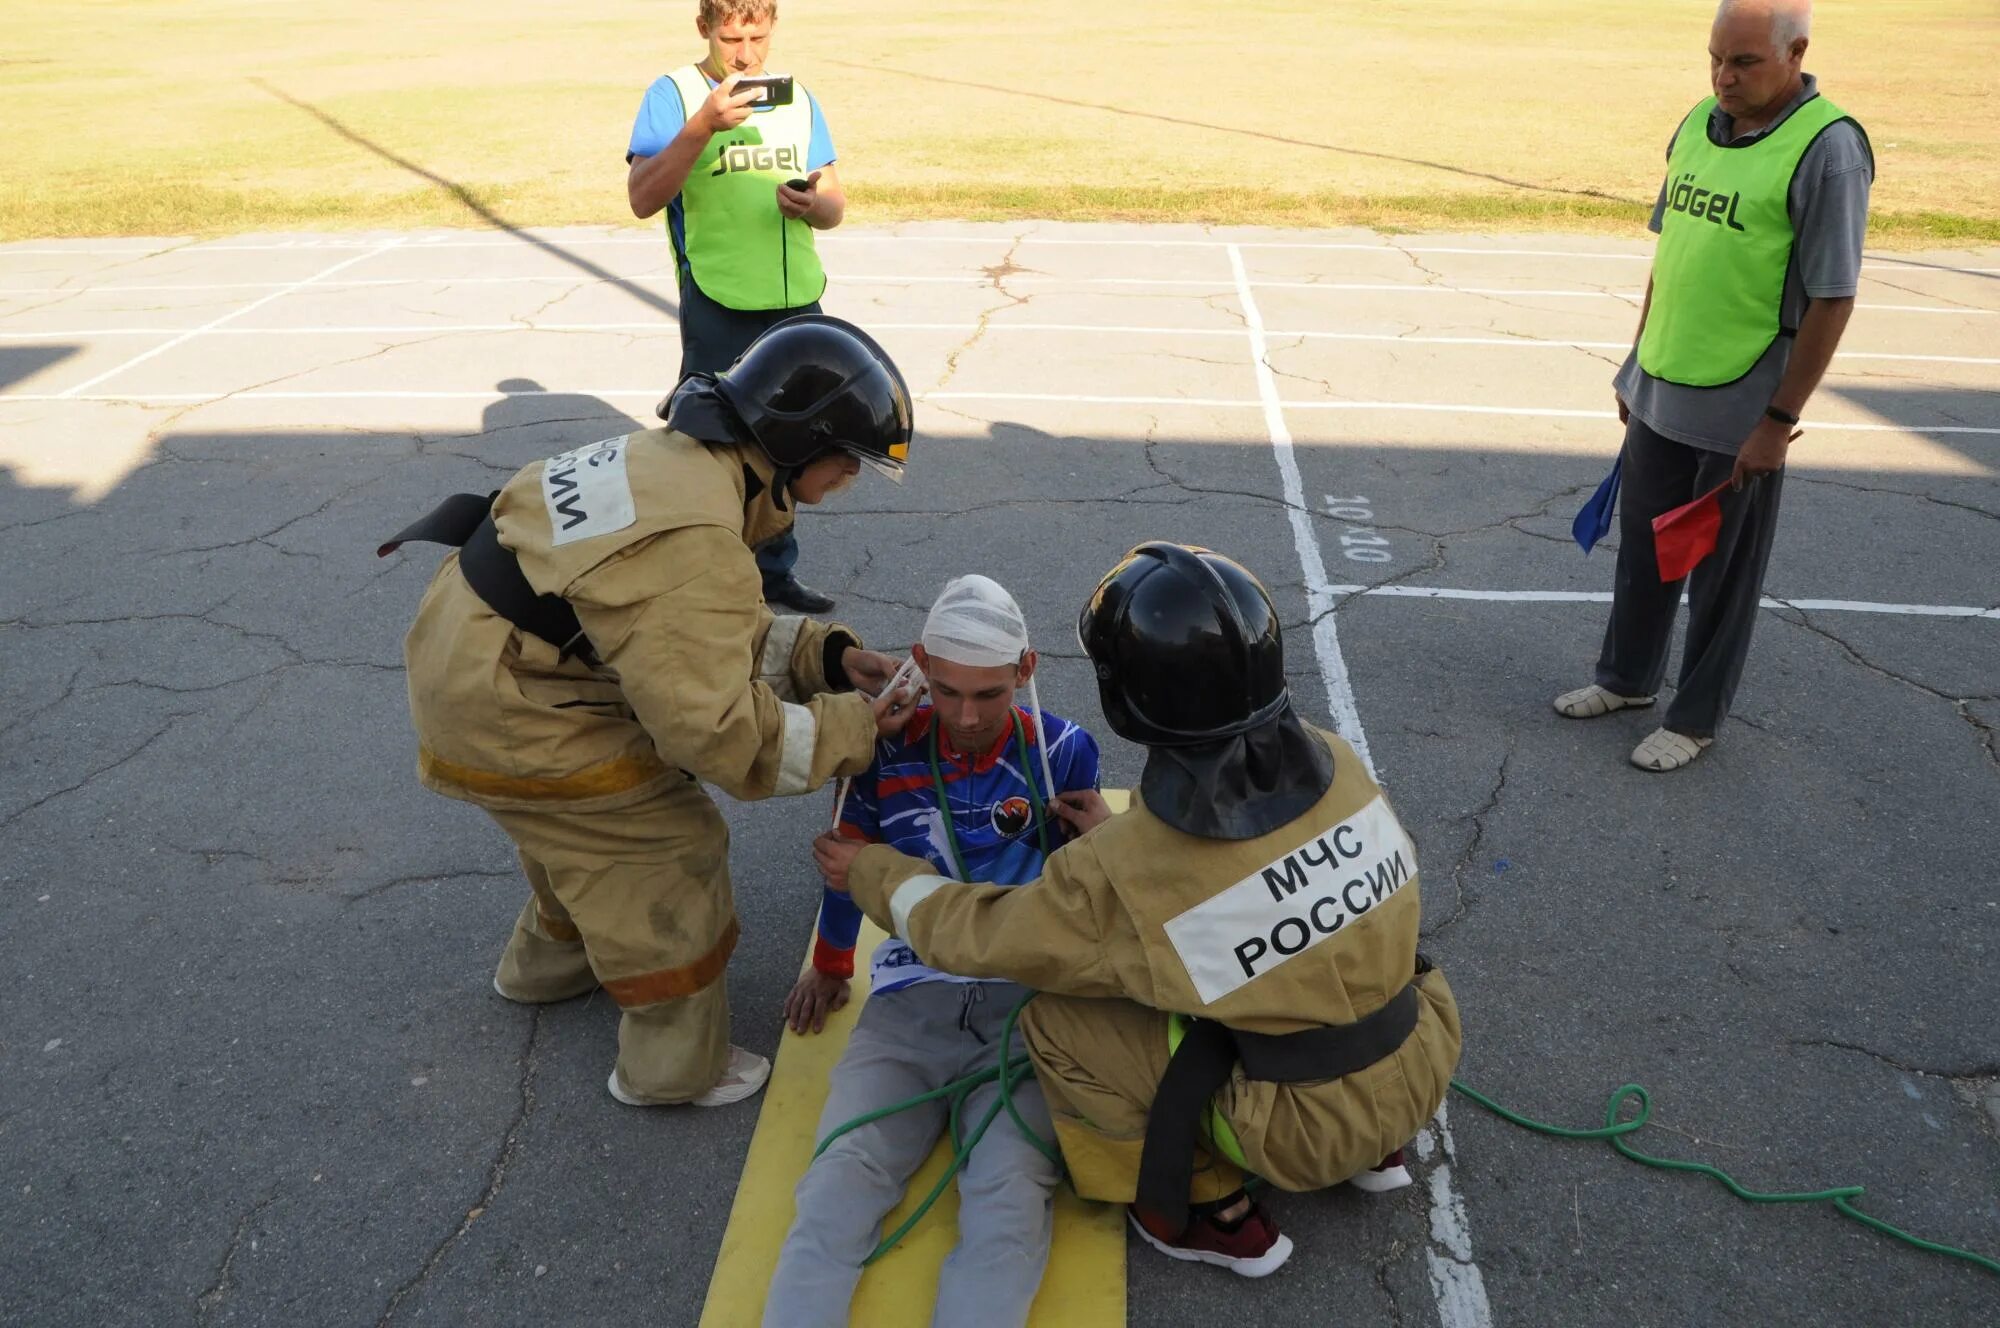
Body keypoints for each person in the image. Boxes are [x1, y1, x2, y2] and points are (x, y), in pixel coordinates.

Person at [813, 544, 1463, 1277]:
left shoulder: (1126, 871)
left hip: (1299, 1130)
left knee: (1059, 1020)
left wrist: (874, 871)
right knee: (1317, 963)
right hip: (1418, 1062)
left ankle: (1205, 1209)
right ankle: (1378, 1147)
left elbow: (983, 935)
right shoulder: (1338, 762)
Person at [384, 316, 918, 1107]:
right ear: (797, 446)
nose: (849, 481)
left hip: (476, 662)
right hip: (517, 704)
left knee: (579, 833)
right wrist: (858, 729)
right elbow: (720, 734)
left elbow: (673, 631)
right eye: (847, 463)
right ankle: (674, 1068)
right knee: (664, 843)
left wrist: (827, 658)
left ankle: (547, 967)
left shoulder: (672, 463)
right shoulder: (696, 533)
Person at [765, 575, 1101, 1327]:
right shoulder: (880, 750)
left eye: (990, 694)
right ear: (918, 661)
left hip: (1026, 1007)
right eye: (946, 692)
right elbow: (847, 864)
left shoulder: (1066, 751)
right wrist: (830, 963)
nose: (968, 716)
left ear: (1026, 670)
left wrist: (1103, 844)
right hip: (911, 997)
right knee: (837, 1187)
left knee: (1009, 1200)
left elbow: (1091, 896)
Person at [1557, 0, 1873, 772]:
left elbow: (1833, 296)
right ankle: (1627, 680)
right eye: (1714, 60)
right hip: (1663, 383)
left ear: (1796, 52)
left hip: (1743, 408)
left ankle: (1693, 718)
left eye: (1743, 64)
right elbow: (1674, 257)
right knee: (1645, 550)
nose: (1723, 78)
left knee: (1720, 574)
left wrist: (1777, 420)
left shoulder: (1828, 150)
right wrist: (1637, 360)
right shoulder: (1700, 122)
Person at [626, 0, 846, 615]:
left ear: (774, 26)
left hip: (797, 297)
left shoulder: (797, 97)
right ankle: (699, 576)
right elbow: (643, 198)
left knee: (793, 446)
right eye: (730, 38)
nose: (745, 53)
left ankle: (773, 574)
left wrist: (814, 206)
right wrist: (701, 127)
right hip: (719, 299)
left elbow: (834, 201)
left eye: (757, 35)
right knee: (710, 449)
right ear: (704, 29)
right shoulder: (672, 95)